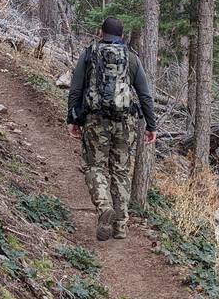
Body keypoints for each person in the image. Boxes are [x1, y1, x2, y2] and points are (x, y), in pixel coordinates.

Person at [66, 16, 157, 240]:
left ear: (100, 33)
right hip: (125, 124)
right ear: (122, 36)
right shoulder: (131, 58)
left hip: (95, 121)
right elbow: (145, 95)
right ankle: (121, 225)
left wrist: (73, 118)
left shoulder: (89, 54)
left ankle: (104, 206)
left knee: (95, 166)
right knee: (121, 171)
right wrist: (151, 125)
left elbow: (76, 89)